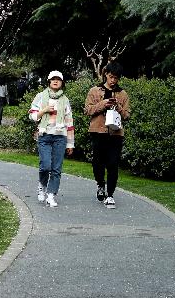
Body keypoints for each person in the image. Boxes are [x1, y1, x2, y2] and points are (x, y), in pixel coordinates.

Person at [84, 61, 131, 209]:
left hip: (116, 134)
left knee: (113, 164)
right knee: (97, 163)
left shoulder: (123, 94)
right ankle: (100, 185)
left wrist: (118, 107)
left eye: (116, 78)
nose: (113, 80)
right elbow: (87, 110)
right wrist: (103, 104)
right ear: (106, 75)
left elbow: (127, 115)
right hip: (98, 132)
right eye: (111, 77)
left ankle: (110, 195)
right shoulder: (94, 91)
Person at [28, 71, 75, 207]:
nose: (55, 81)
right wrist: (44, 110)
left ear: (62, 83)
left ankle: (51, 194)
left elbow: (69, 122)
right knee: (45, 166)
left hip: (60, 136)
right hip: (44, 135)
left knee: (56, 168)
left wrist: (70, 144)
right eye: (53, 79)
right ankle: (42, 186)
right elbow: (32, 116)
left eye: (58, 79)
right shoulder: (40, 96)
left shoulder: (65, 100)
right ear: (49, 81)